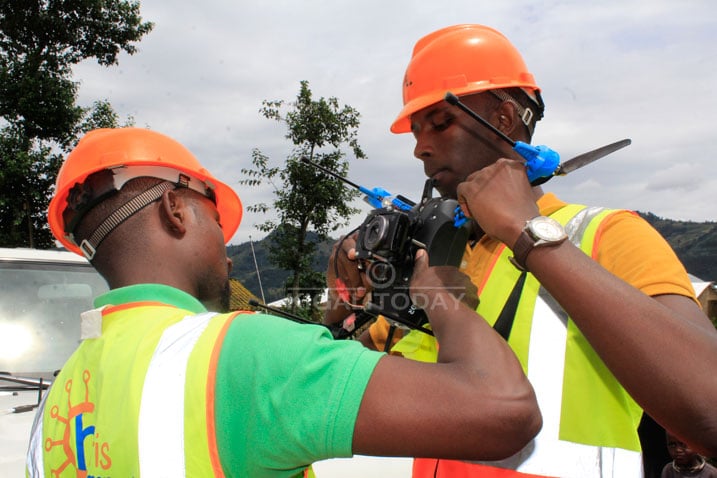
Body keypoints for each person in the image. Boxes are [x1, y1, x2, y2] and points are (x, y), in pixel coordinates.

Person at [25, 127, 541, 477]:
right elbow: (505, 411)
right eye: (217, 223)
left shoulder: (59, 397)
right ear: (174, 210)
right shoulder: (244, 354)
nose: (228, 257)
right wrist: (437, 296)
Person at [325, 24, 717, 477]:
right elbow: (357, 379)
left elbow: (708, 406)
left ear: (506, 120)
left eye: (440, 122)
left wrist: (526, 231)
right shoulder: (436, 262)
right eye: (415, 131)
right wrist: (342, 307)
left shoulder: (607, 236)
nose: (420, 148)